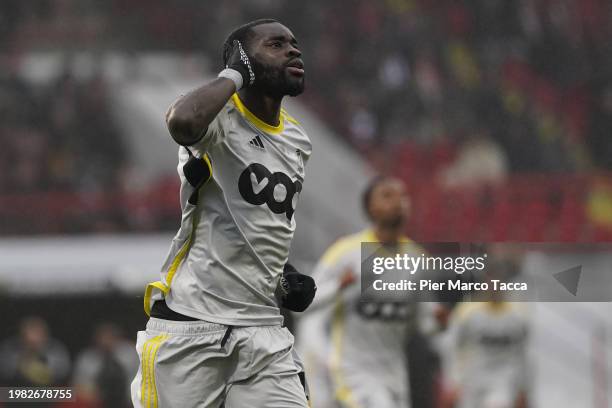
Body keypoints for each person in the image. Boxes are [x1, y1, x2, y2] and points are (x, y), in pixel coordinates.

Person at [130, 19, 316, 408]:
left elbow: (261, 224)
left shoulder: (298, 139)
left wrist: (285, 275)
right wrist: (233, 73)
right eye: (277, 44)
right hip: (192, 323)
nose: (293, 51)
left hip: (264, 332)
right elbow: (181, 122)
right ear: (244, 58)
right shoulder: (216, 118)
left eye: (294, 43)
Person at [297, 176, 429, 408]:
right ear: (371, 208)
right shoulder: (346, 252)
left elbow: (420, 323)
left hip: (395, 374)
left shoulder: (417, 259)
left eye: (403, 196)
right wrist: (339, 286)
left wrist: (440, 322)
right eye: (388, 195)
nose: (399, 201)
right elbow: (304, 303)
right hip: (352, 370)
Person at [73, 323, 138, 408]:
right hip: (97, 401)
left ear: (117, 338)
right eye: (102, 337)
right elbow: (77, 386)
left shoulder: (131, 353)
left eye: (109, 337)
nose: (106, 341)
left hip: (129, 399)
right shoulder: (86, 358)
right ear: (96, 339)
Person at [0, 316, 70, 387]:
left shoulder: (56, 349)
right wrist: (24, 362)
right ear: (22, 337)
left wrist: (38, 368)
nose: (34, 343)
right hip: (15, 391)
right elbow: (5, 371)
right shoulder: (10, 348)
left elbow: (62, 372)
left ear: (45, 336)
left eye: (38, 336)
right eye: (29, 341)